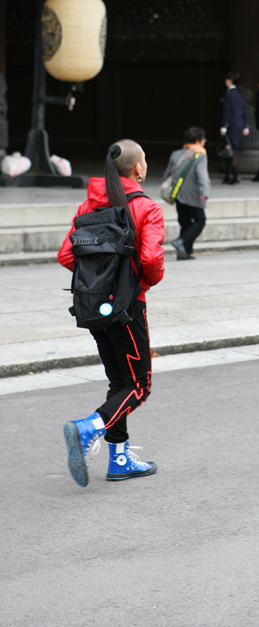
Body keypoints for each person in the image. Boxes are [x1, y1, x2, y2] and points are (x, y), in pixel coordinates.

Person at [58, 139, 165, 486]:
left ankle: (119, 459)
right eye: (145, 159)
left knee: (119, 381)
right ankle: (89, 427)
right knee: (139, 385)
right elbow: (150, 259)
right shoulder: (147, 208)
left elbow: (66, 256)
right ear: (137, 168)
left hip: (93, 307)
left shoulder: (88, 206)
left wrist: (97, 279)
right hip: (128, 306)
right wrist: (139, 283)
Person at [163, 126, 210, 260]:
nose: (204, 142)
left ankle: (184, 253)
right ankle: (181, 242)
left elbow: (167, 174)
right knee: (200, 220)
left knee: (185, 223)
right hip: (194, 194)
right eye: (203, 139)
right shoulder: (200, 155)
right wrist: (204, 192)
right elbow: (201, 175)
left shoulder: (176, 154)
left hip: (178, 193)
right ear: (198, 140)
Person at [220, 71, 249, 184]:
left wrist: (223, 126)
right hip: (239, 124)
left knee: (231, 152)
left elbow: (226, 110)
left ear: (230, 80)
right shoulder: (239, 93)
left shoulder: (228, 93)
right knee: (231, 151)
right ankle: (228, 175)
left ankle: (235, 176)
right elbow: (244, 111)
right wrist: (245, 126)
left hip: (231, 125)